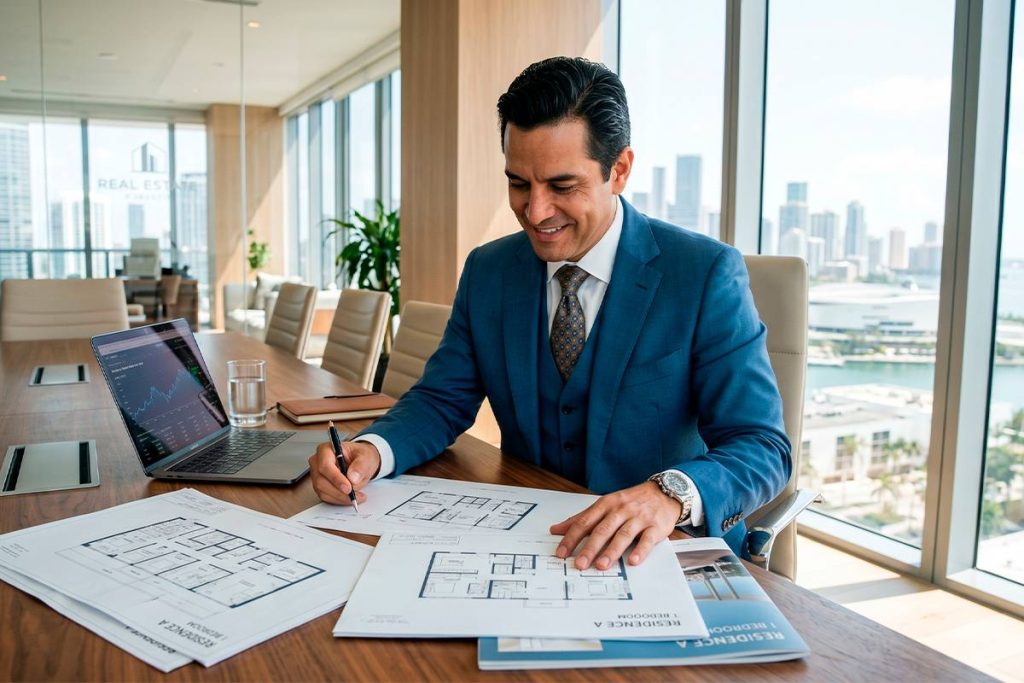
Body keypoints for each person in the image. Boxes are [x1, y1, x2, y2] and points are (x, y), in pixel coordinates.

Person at [309, 56, 791, 570]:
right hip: (533, 547)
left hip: (662, 555)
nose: (535, 213)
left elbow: (762, 446)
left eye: (562, 186)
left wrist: (668, 494)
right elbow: (441, 400)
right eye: (519, 183)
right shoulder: (488, 270)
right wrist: (373, 450)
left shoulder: (704, 273)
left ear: (619, 170)